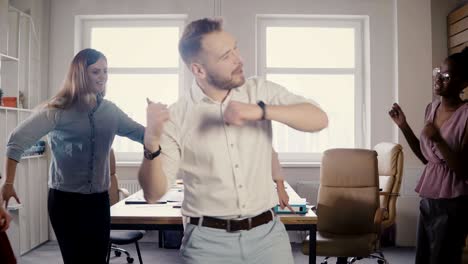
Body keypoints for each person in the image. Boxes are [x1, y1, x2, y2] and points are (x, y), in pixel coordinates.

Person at [139, 18, 328, 264]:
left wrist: (260, 111)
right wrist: (151, 141)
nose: (240, 59)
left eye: (235, 48)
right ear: (199, 70)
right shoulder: (177, 116)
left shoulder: (259, 90)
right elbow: (154, 194)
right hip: (207, 245)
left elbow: (319, 119)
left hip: (269, 238)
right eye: (226, 56)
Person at [1, 48, 145, 264]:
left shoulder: (111, 112)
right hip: (66, 201)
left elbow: (142, 134)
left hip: (98, 201)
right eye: (96, 71)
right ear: (80, 73)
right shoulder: (58, 110)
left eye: (105, 71)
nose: (103, 77)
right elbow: (16, 141)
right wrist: (8, 183)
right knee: (75, 260)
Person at [389, 47, 468, 264]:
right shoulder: (431, 109)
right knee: (423, 258)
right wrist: (403, 125)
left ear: (463, 84)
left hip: (453, 200)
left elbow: (462, 170)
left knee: (443, 258)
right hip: (428, 196)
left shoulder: (466, 115)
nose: (439, 80)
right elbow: (427, 159)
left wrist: (438, 140)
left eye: (446, 76)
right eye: (438, 73)